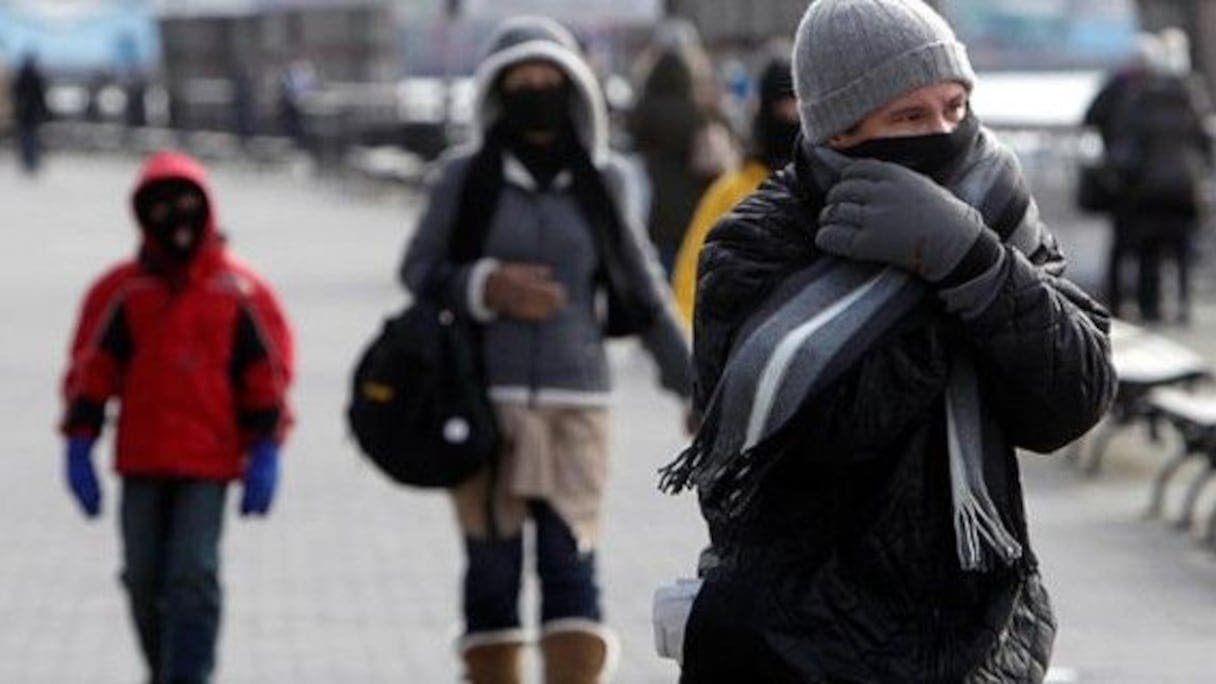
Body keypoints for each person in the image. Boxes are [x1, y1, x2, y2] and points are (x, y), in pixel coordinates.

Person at [660, 1, 1116, 681]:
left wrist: (976, 265)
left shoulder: (995, 213)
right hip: (798, 641)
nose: (942, 133)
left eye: (955, 108)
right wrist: (938, 285)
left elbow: (1071, 400)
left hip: (975, 632)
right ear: (842, 130)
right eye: (909, 117)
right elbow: (819, 444)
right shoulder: (753, 244)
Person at [399, 16, 691, 683]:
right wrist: (484, 286)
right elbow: (418, 270)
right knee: (492, 572)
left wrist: (696, 390)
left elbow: (644, 293)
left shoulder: (604, 181)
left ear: (575, 88)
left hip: (575, 404)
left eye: (549, 79)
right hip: (482, 403)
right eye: (520, 80)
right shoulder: (462, 177)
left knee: (571, 569)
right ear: (497, 92)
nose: (536, 89)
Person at [59, 151, 295, 684]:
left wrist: (267, 448)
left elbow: (267, 376)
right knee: (143, 578)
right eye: (162, 206)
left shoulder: (239, 292)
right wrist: (78, 441)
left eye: (188, 204)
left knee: (192, 573)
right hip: (142, 458)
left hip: (208, 462)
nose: (177, 219)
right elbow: (92, 370)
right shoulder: (123, 291)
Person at [1085, 31, 1212, 323]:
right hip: (1184, 186)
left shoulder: (1137, 97)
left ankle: (1147, 307)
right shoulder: (1191, 97)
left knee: (1146, 251)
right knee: (1181, 249)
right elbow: (1204, 141)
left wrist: (1114, 172)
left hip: (1145, 188)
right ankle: (1182, 306)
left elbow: (1125, 144)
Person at [671, 55, 799, 326]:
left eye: (799, 106)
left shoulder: (835, 188)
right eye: (783, 105)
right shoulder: (731, 192)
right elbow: (693, 272)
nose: (791, 116)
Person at [629, 21, 737, 275]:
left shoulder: (643, 110)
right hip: (699, 204)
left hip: (658, 208)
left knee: (665, 272)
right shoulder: (700, 109)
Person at [12, 54, 49, 174]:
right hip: (33, 112)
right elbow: (41, 96)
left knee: (25, 137)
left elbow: (16, 94)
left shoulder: (20, 76)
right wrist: (44, 111)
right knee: (32, 136)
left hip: (23, 112)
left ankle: (27, 160)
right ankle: (32, 160)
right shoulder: (37, 76)